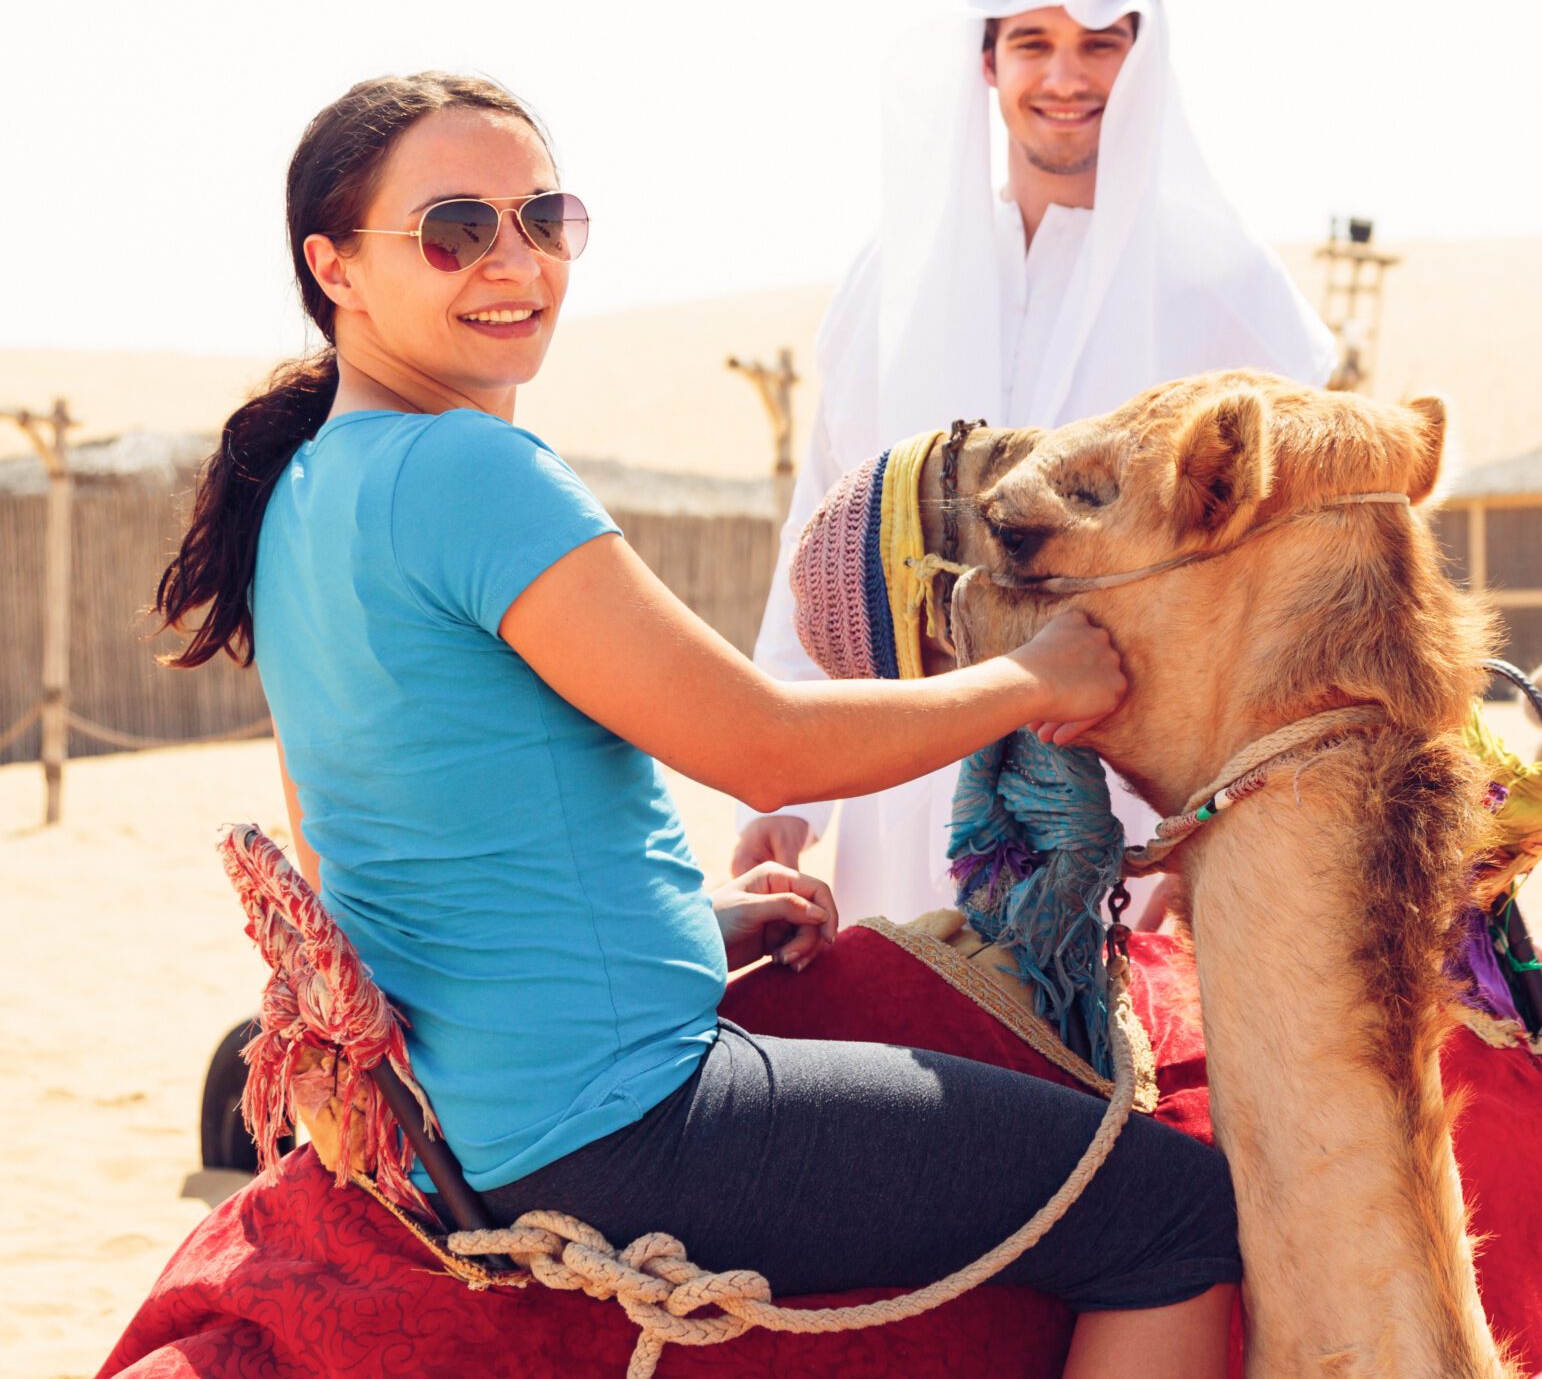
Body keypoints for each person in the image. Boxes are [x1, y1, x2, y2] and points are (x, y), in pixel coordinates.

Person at [152, 71, 1237, 1376]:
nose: (517, 261)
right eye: (455, 230)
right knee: (1176, 1212)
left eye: (544, 219)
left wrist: (703, 930)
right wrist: (1040, 679)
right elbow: (762, 744)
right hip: (631, 1121)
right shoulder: (469, 469)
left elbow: (391, 858)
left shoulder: (307, 489)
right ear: (336, 268)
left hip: (491, 1120)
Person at [734, 0, 1339, 921]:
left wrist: (1212, 829)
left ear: (1141, 59)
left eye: (1098, 44)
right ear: (988, 60)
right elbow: (826, 522)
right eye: (1033, 43)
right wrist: (787, 791)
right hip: (903, 776)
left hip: (1134, 806)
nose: (1064, 76)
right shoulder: (894, 274)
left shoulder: (1227, 290)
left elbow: (1292, 585)